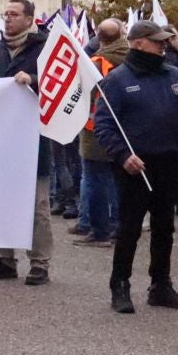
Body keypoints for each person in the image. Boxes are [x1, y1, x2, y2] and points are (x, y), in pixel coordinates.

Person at [94, 21, 178, 314]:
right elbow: (104, 125)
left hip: (168, 161)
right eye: (157, 42)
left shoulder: (171, 73)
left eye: (164, 42)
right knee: (129, 229)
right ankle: (120, 285)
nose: (163, 46)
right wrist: (122, 155)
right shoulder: (117, 79)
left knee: (164, 228)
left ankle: (161, 286)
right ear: (139, 43)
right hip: (135, 167)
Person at [0, 0, 53, 285]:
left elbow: (60, 85)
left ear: (29, 19)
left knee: (37, 205)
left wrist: (32, 79)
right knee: (2, 201)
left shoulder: (44, 49)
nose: (7, 19)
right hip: (2, 139)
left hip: (34, 139)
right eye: (5, 14)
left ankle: (40, 262)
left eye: (14, 14)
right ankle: (4, 258)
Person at [73, 19, 129, 246]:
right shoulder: (130, 59)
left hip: (95, 130)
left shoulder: (95, 62)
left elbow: (82, 93)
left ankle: (99, 231)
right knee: (116, 181)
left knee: (96, 181)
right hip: (122, 128)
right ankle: (117, 226)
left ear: (98, 37)